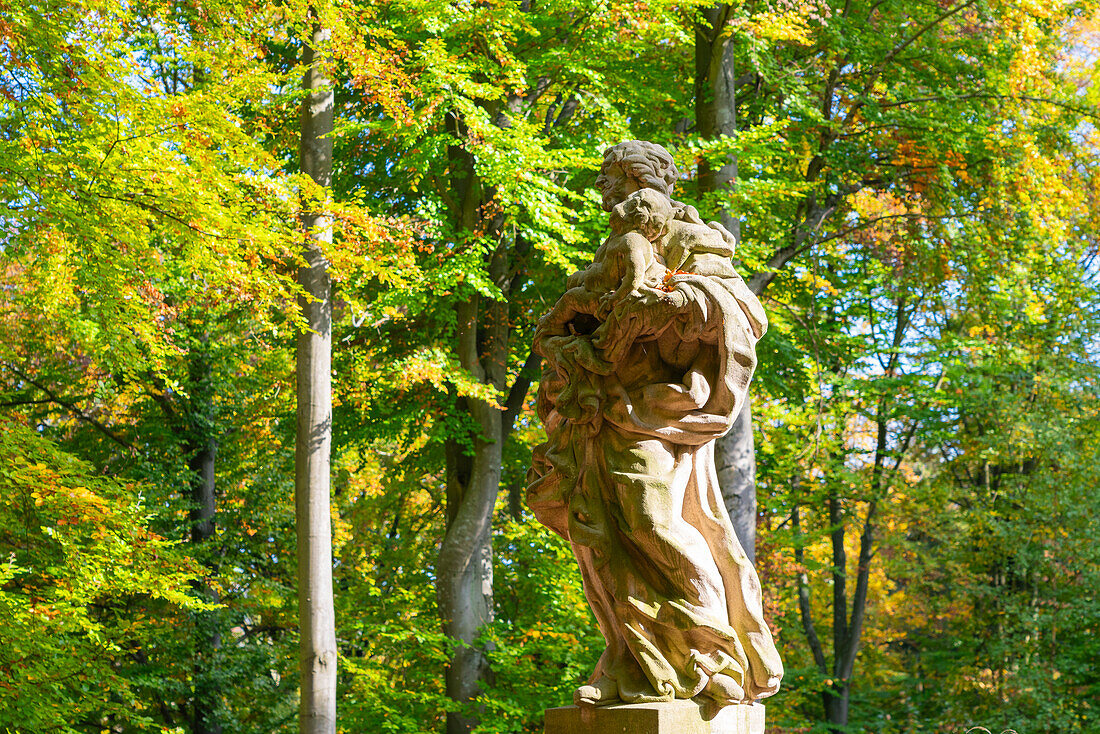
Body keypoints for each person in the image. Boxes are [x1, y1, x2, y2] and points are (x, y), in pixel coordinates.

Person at [527, 140, 782, 708]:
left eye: (617, 179)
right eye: (606, 183)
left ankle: (714, 651)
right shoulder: (614, 249)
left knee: (652, 522)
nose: (608, 192)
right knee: (603, 537)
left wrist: (678, 300)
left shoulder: (690, 239)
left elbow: (743, 311)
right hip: (600, 412)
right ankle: (635, 660)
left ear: (651, 182)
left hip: (653, 412)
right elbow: (569, 321)